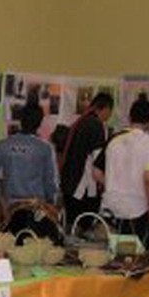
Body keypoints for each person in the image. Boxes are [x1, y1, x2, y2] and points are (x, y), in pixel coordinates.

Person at [0, 103, 61, 244]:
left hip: (12, 210)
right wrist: (51, 204)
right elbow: (51, 183)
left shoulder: (4, 144)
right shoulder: (45, 148)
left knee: (12, 249)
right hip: (37, 210)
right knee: (34, 251)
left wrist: (0, 196)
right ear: (40, 122)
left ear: (21, 120)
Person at [92, 95, 149, 250]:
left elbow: (96, 172)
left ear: (130, 117)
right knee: (136, 264)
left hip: (109, 208)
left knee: (110, 261)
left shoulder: (114, 140)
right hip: (136, 211)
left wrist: (114, 184)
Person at [59, 92, 114, 231]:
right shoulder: (96, 125)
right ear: (106, 108)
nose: (109, 116)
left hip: (68, 184)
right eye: (110, 112)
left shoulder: (80, 122)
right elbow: (98, 160)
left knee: (71, 227)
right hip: (82, 188)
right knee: (83, 229)